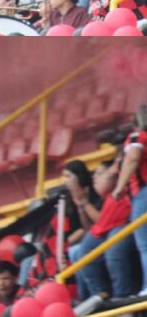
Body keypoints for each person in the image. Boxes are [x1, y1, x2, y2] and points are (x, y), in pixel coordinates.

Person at [75, 159, 139, 300]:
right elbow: (94, 227)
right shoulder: (107, 197)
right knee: (83, 250)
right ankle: (98, 296)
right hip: (108, 229)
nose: (94, 178)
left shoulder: (124, 187)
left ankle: (122, 295)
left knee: (114, 247)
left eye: (99, 174)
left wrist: (84, 202)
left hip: (127, 225)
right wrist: (81, 205)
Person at [114, 106, 147, 297]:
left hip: (144, 193)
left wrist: (119, 187)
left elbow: (133, 158)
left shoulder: (137, 137)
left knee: (145, 244)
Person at [62, 158, 104, 299]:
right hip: (86, 237)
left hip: (98, 236)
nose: (65, 181)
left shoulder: (93, 193)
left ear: (78, 177)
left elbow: (96, 224)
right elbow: (86, 226)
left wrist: (84, 202)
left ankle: (89, 294)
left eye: (69, 176)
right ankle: (83, 295)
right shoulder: (68, 198)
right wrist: (80, 208)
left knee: (75, 251)